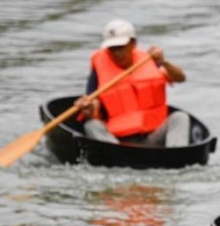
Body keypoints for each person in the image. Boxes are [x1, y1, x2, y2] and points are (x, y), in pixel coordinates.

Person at [74, 19, 190, 147]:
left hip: (153, 136)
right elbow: (93, 102)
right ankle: (118, 158)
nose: (117, 53)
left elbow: (181, 78)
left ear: (133, 43)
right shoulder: (98, 70)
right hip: (118, 142)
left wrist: (164, 62)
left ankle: (175, 157)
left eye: (121, 47)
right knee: (91, 125)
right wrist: (88, 109)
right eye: (112, 49)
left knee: (180, 117)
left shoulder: (150, 61)